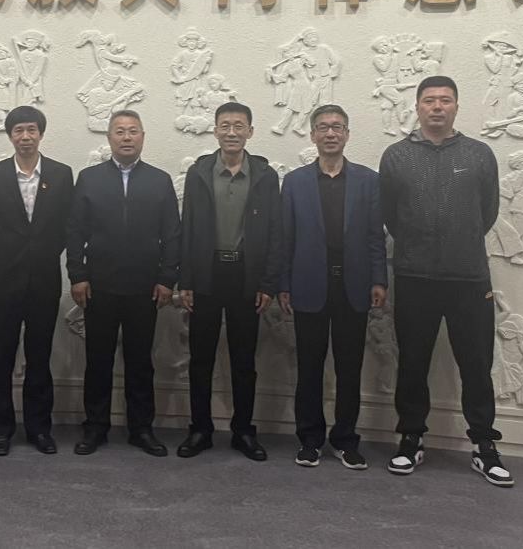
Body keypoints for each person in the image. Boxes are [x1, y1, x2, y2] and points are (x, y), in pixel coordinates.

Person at [379, 76, 513, 487]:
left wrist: (458, 243)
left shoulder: (479, 155)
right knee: (412, 362)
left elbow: (486, 212)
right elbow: (391, 216)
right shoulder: (396, 156)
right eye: (429, 100)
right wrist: (419, 247)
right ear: (417, 107)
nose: (437, 107)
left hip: (468, 277)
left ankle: (484, 446)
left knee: (476, 364)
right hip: (414, 275)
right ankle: (410, 439)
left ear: (456, 106)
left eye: (445, 100)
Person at [67, 110, 180, 457]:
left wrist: (167, 279)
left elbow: (172, 235)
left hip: (145, 287)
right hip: (99, 286)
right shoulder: (89, 179)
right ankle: (95, 427)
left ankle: (141, 428)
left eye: (133, 131)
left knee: (140, 362)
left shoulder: (160, 180)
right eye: (119, 131)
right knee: (97, 360)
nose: (126, 137)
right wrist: (78, 275)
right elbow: (75, 231)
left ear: (143, 137)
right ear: (109, 138)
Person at [280, 104, 387, 470]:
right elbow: (286, 238)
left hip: (353, 286)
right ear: (312, 135)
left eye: (337, 127)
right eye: (323, 127)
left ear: (347, 134)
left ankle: (345, 439)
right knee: (309, 368)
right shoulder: (295, 182)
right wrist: (283, 283)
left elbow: (375, 236)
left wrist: (379, 278)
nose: (330, 133)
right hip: (308, 285)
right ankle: (309, 440)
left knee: (349, 368)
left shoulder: (368, 180)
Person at [175, 102, 280, 461]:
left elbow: (275, 232)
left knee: (244, 360)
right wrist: (186, 279)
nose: (232, 132)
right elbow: (188, 227)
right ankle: (200, 429)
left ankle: (243, 431)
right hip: (206, 274)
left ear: (250, 131)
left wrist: (267, 282)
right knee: (200, 358)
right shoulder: (199, 172)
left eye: (239, 125)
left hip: (246, 276)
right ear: (215, 130)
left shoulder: (265, 175)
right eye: (225, 125)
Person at [0, 106, 75, 455]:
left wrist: (41, 253)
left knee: (39, 356)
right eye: (18, 130)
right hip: (5, 278)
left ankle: (39, 428)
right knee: (0, 356)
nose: (26, 136)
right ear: (10, 136)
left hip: (45, 278)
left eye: (32, 129)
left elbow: (66, 226)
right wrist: (12, 253)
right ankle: (0, 430)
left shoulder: (61, 175)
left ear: (41, 134)